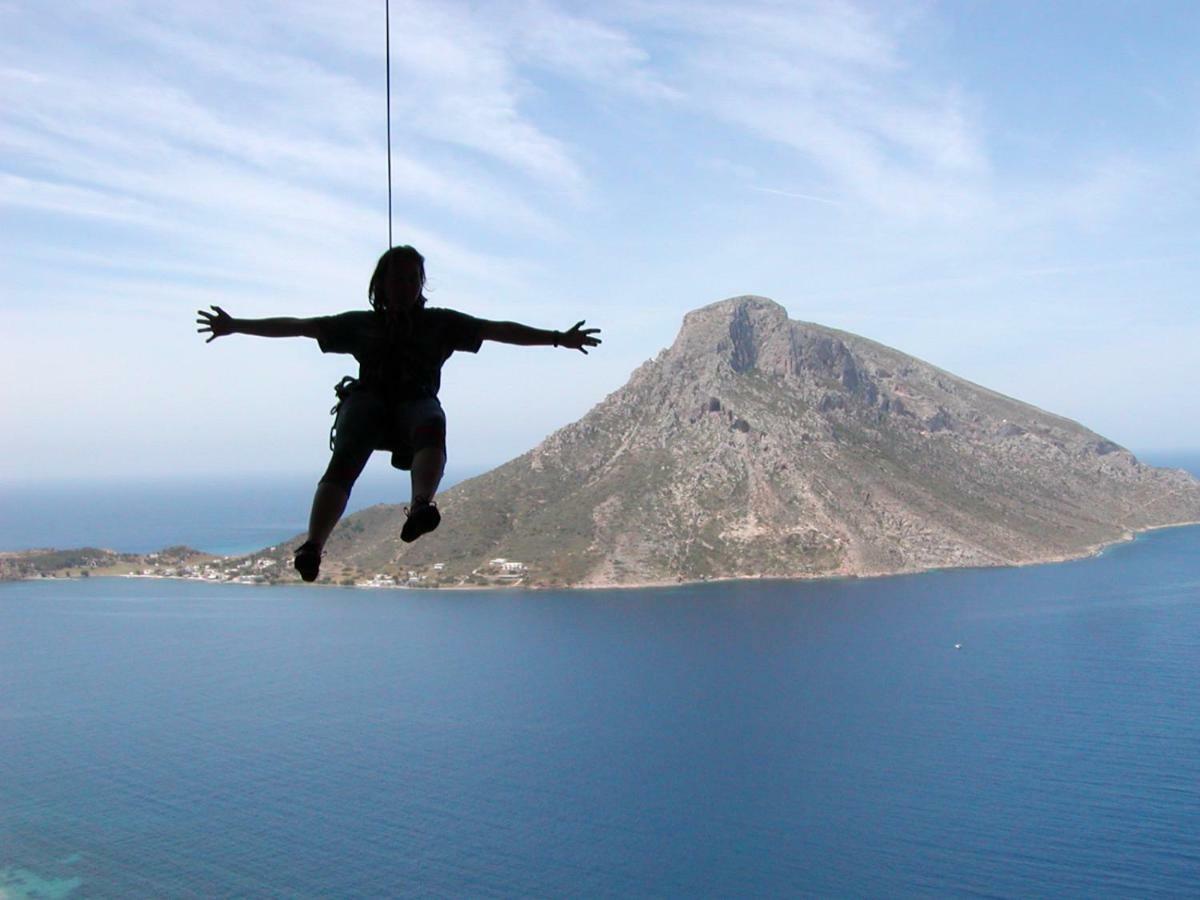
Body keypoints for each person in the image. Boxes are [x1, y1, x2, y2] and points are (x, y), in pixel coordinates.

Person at [197, 245, 601, 582]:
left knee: (420, 429)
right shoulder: (367, 324)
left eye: (412, 278)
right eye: (399, 278)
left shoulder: (437, 323)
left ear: (419, 284)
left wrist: (556, 338)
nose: (406, 286)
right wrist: (237, 325)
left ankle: (420, 507)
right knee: (359, 457)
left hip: (392, 407)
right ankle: (315, 546)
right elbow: (301, 326)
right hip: (383, 406)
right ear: (381, 285)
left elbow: (497, 330)